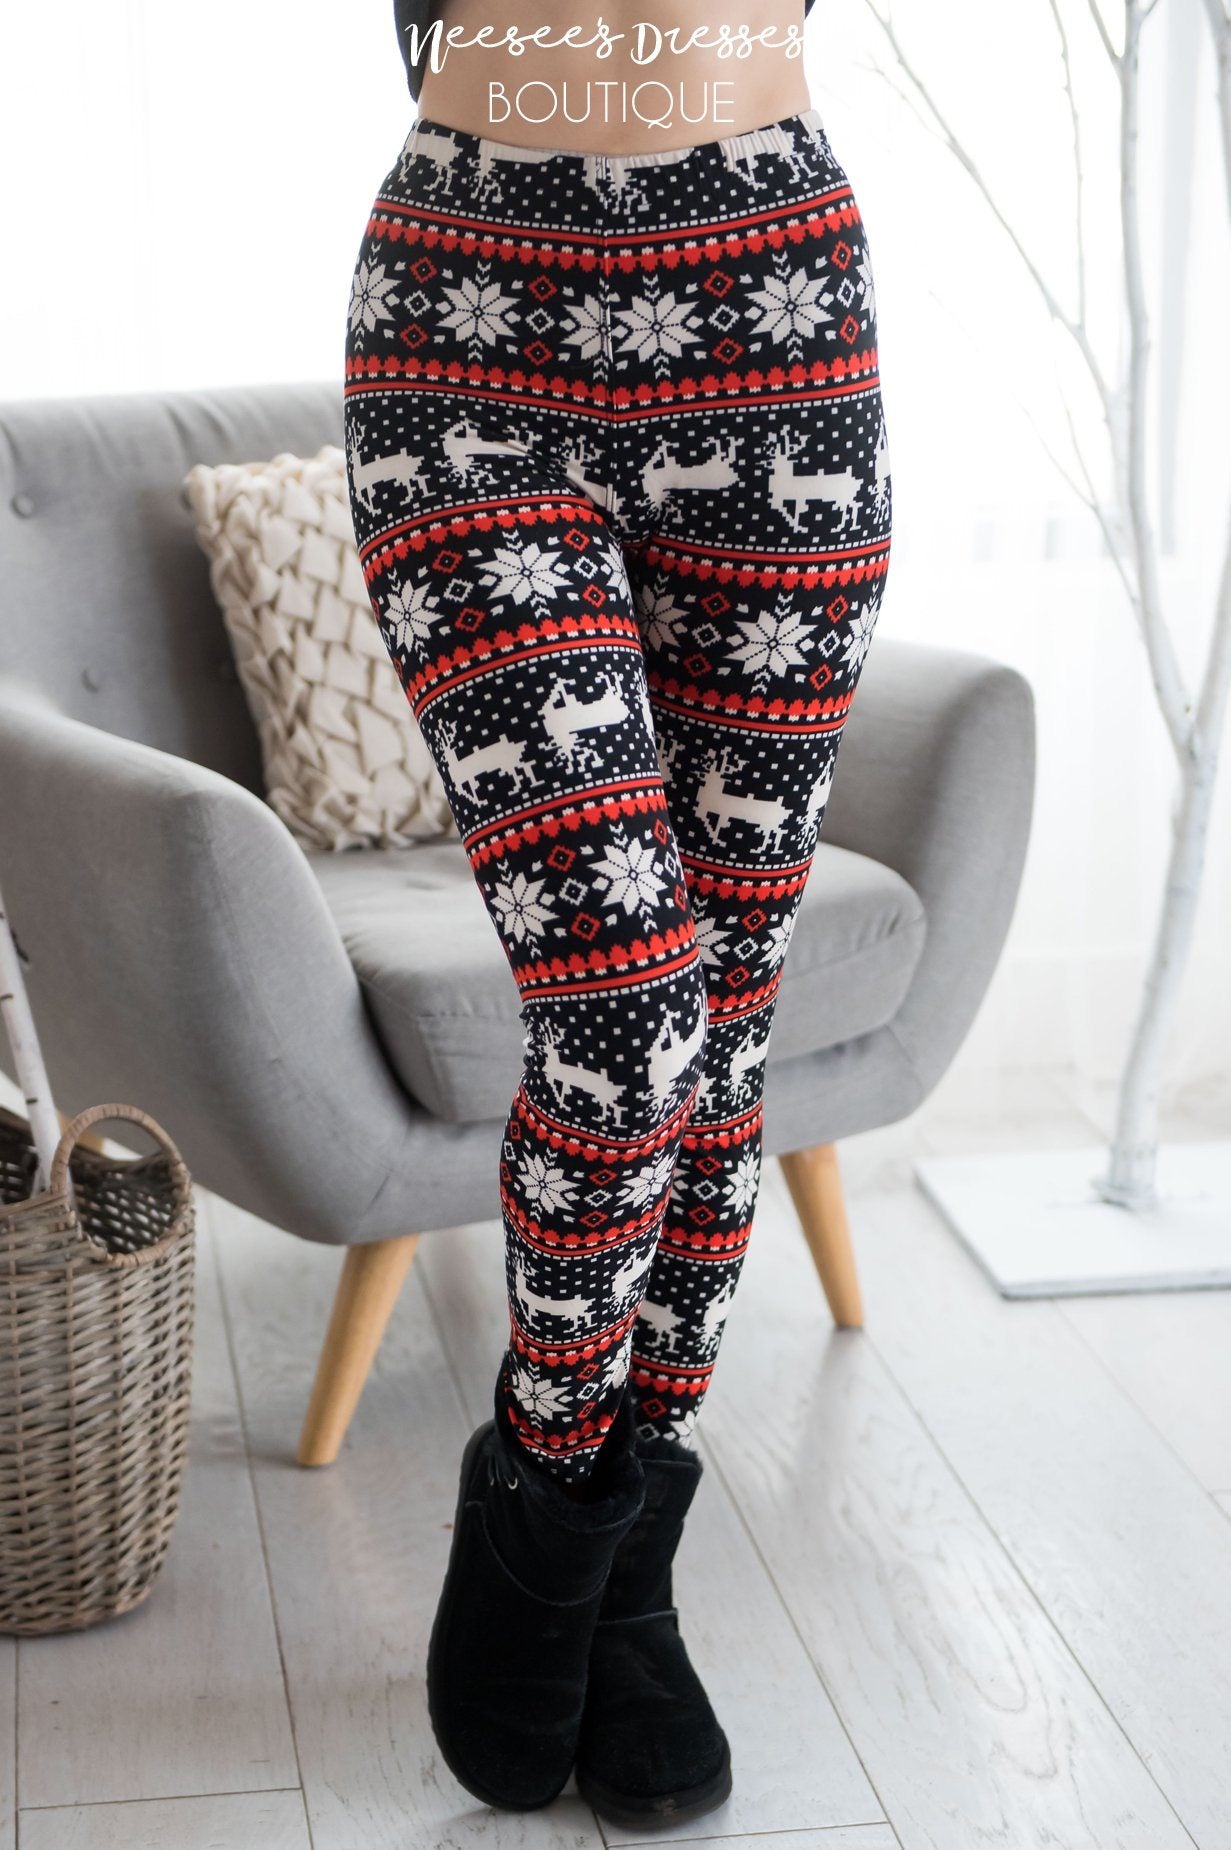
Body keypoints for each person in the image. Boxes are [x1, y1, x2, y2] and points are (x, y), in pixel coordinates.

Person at [343, 0, 892, 1829]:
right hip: (465, 321)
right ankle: (548, 1471)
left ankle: (623, 1547)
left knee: (724, 1014)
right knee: (626, 1010)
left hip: (774, 313)